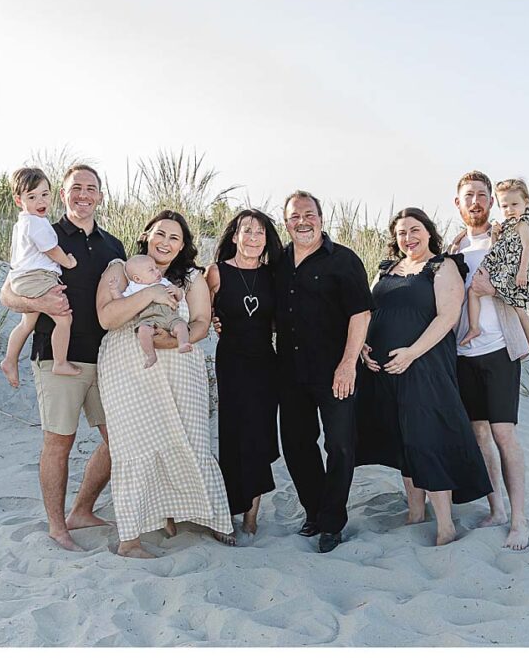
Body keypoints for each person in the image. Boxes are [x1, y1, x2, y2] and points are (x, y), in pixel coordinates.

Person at [0, 164, 126, 552]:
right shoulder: (43, 232)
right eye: (76, 188)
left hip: (105, 357)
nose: (83, 195)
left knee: (118, 439)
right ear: (64, 194)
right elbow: (8, 293)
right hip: (57, 355)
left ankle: (82, 510)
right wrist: (38, 302)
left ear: (101, 196)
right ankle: (57, 526)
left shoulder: (114, 246)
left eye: (91, 188)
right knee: (60, 442)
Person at [96, 210, 234, 558]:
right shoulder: (121, 268)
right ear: (147, 235)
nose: (166, 242)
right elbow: (107, 317)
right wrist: (151, 293)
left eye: (175, 237)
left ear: (184, 245)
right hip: (129, 367)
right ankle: (130, 540)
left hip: (180, 366)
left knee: (190, 439)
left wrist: (172, 342)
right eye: (160, 234)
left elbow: (201, 321)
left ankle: (209, 516)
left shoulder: (190, 278)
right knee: (134, 444)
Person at [356, 208, 493, 546]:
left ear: (429, 232)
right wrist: (364, 347)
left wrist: (411, 353)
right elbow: (368, 311)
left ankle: (445, 523)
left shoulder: (442, 266)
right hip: (384, 368)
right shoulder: (387, 269)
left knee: (429, 439)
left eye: (415, 230)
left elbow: (447, 317)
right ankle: (416, 513)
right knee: (402, 439)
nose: (408, 237)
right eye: (402, 232)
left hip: (425, 366)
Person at [275, 191, 373, 553]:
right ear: (286, 223)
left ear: (321, 217)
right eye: (294, 216)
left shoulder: (344, 260)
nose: (303, 221)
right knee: (297, 447)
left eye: (309, 214)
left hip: (335, 370)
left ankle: (332, 523)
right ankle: (314, 511)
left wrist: (348, 364)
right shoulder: (278, 261)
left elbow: (360, 314)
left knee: (340, 446)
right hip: (289, 372)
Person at [450, 170, 529, 550]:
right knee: (479, 434)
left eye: (482, 195)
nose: (476, 201)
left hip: (499, 350)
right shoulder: (451, 249)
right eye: (469, 196)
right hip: (462, 355)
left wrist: (492, 287)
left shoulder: (508, 237)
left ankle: (520, 521)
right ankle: (495, 508)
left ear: (490, 201)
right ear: (458, 203)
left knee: (503, 434)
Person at [205, 209, 284, 536]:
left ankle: (251, 517)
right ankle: (230, 512)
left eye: (260, 233)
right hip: (232, 363)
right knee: (234, 435)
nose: (253, 238)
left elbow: (282, 321)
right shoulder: (216, 272)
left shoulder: (274, 275)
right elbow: (200, 312)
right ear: (234, 235)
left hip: (266, 363)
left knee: (258, 437)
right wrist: (213, 320)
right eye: (247, 231)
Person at [0, 167, 80, 387]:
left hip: (23, 277)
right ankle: (60, 362)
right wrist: (68, 262)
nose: (40, 201)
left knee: (27, 323)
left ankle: (9, 359)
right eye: (32, 197)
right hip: (37, 278)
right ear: (19, 200)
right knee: (64, 319)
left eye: (44, 194)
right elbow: (51, 249)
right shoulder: (35, 223)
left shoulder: (23, 223)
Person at [461, 178, 529, 353]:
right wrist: (494, 234)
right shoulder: (508, 226)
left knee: (516, 307)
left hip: (516, 272)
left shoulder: (523, 224)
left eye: (514, 204)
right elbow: (496, 249)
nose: (509, 210)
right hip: (507, 270)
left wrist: (522, 272)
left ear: (526, 202)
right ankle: (476, 328)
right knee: (512, 305)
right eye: (505, 206)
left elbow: (527, 248)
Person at [111, 254, 191, 368]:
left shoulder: (164, 281)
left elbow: (179, 296)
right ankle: (150, 355)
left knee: (181, 325)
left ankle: (183, 343)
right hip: (148, 318)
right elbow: (122, 301)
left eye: (156, 268)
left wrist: (176, 291)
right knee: (143, 331)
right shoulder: (133, 288)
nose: (157, 272)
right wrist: (114, 290)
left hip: (170, 315)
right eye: (151, 270)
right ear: (138, 278)